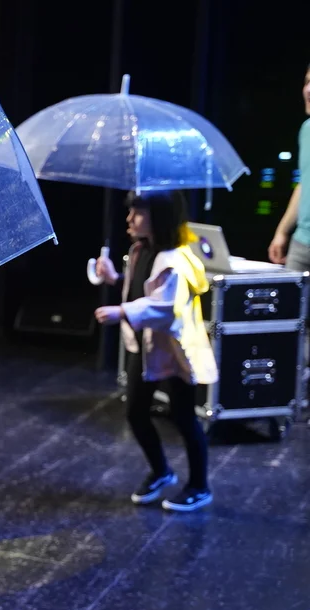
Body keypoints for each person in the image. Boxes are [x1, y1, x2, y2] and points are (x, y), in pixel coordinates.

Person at [94, 191, 217, 512]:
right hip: (147, 347)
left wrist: (122, 311)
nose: (129, 219)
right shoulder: (141, 249)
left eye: (138, 212)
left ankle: (199, 486)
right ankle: (162, 470)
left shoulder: (175, 260)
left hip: (175, 350)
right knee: (136, 412)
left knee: (183, 417)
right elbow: (142, 287)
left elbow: (164, 306)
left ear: (158, 217)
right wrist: (114, 278)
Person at [267, 64, 310, 272]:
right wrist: (282, 232)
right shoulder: (307, 130)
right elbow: (304, 184)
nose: (308, 90)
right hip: (302, 242)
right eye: (307, 82)